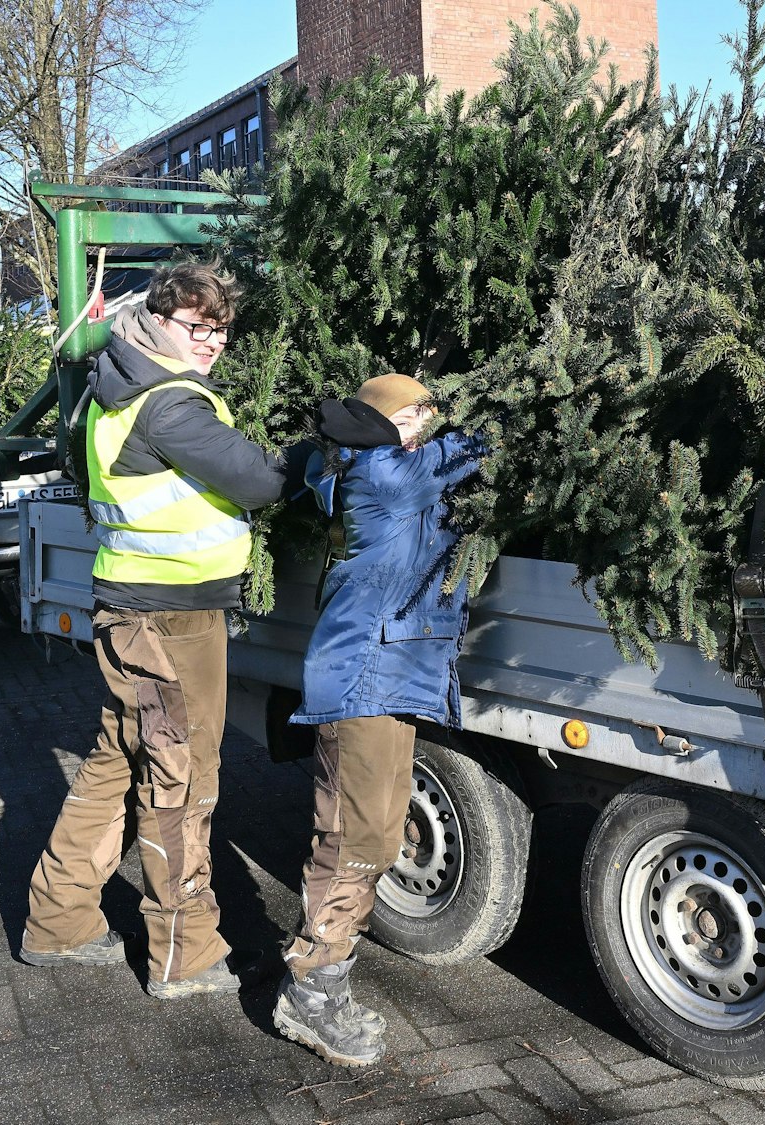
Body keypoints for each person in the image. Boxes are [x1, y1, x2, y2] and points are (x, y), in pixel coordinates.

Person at [21, 265, 287, 999]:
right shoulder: (166, 404)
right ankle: (183, 951)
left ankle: (57, 917)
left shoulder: (117, 385)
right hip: (169, 621)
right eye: (197, 326)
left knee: (117, 761)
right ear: (157, 318)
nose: (212, 342)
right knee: (184, 775)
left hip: (137, 612)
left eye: (221, 330)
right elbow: (261, 480)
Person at [272, 373, 488, 1065]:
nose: (426, 422)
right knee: (351, 838)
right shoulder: (384, 471)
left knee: (378, 833)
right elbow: (473, 450)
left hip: (388, 677)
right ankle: (309, 988)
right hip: (362, 677)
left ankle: (323, 978)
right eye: (416, 411)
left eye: (430, 410)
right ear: (383, 420)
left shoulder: (374, 460)